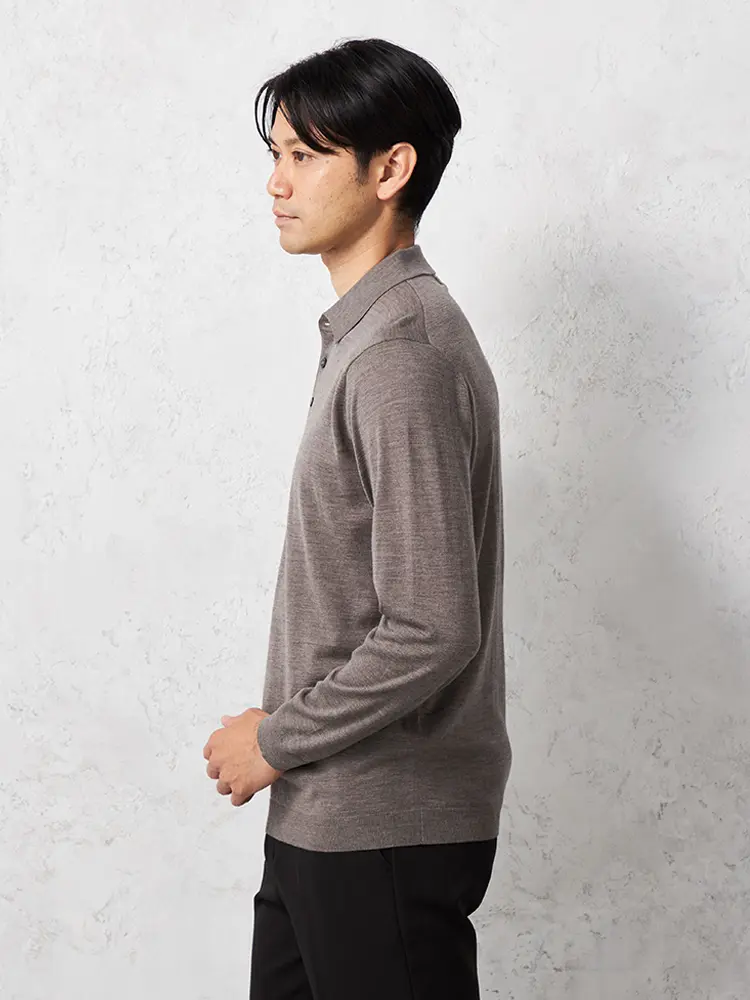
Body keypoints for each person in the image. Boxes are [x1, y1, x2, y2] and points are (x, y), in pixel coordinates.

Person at [249, 36, 512, 999]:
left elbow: (433, 626)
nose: (277, 182)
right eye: (274, 154)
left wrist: (272, 740)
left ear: (390, 169)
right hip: (324, 816)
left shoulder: (402, 353)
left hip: (384, 829)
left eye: (305, 155)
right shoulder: (364, 337)